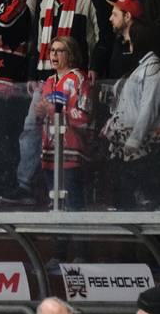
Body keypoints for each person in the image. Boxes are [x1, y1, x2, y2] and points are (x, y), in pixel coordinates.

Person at [101, 18, 160, 209]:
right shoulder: (137, 69)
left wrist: (134, 140)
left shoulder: (153, 68)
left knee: (141, 199)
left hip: (140, 147)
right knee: (123, 200)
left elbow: (148, 107)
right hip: (124, 146)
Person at [38, 35, 91, 210]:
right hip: (49, 155)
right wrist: (39, 113)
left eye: (60, 51)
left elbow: (84, 117)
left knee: (73, 208)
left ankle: (78, 238)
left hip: (71, 155)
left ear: (71, 54)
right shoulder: (48, 82)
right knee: (54, 207)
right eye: (52, 50)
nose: (54, 54)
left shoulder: (79, 79)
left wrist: (54, 110)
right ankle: (59, 239)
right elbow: (43, 118)